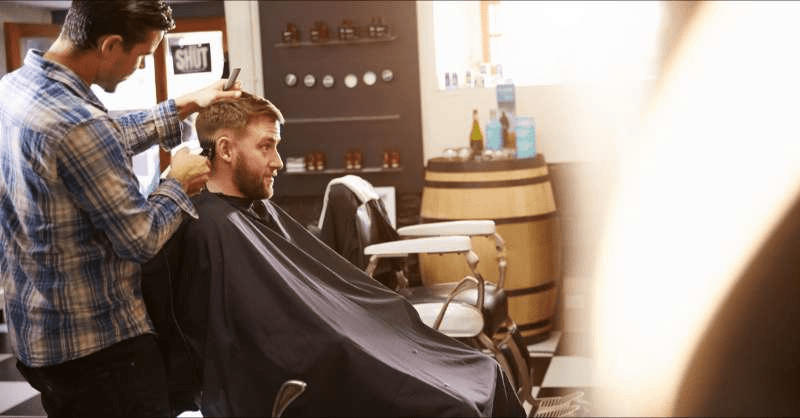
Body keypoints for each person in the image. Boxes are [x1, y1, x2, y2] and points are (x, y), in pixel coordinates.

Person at [140, 92, 525, 417]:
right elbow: (251, 339)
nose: (277, 161)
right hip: (311, 364)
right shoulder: (211, 226)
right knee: (457, 402)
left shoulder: (249, 210)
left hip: (338, 343)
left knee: (481, 369)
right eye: (266, 146)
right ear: (224, 149)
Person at [0, 1, 241, 416]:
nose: (142, 67)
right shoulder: (80, 123)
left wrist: (182, 105)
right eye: (142, 56)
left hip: (40, 338)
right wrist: (176, 183)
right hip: (101, 350)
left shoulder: (15, 88)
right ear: (111, 45)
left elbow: (92, 145)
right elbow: (141, 239)